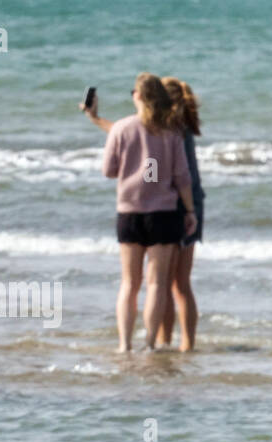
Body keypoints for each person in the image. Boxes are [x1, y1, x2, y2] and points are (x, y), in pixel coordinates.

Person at [81, 74, 196, 351]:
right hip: (164, 214)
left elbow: (108, 170)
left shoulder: (122, 128)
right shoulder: (170, 132)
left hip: (129, 212)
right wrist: (190, 211)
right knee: (156, 284)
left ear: (139, 96)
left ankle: (124, 344)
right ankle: (149, 343)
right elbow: (182, 177)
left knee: (129, 283)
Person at [152, 77, 204, 352]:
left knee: (171, 283)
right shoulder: (182, 126)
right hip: (190, 204)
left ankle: (176, 342)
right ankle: (180, 343)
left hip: (182, 207)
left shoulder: (169, 129)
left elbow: (128, 132)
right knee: (177, 282)